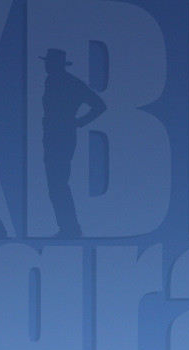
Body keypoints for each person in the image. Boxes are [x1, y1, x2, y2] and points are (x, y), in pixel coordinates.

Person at [40, 47, 106, 239]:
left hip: (62, 136)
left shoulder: (71, 83)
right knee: (55, 184)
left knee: (58, 183)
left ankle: (71, 229)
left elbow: (100, 105)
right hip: (52, 135)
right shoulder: (50, 81)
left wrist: (79, 122)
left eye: (49, 63)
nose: (47, 66)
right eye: (47, 63)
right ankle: (67, 227)